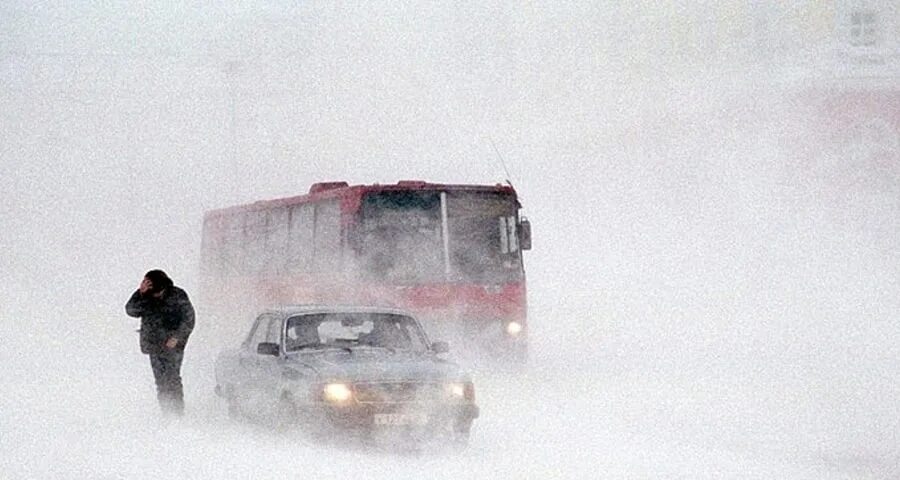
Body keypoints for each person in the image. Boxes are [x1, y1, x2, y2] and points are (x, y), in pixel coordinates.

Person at [125, 269, 195, 416]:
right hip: (154, 345)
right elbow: (131, 310)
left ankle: (177, 413)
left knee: (172, 378)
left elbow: (189, 319)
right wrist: (140, 293)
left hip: (173, 346)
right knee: (161, 382)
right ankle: (167, 413)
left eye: (158, 293)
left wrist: (177, 337)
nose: (155, 296)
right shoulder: (146, 296)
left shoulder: (177, 295)